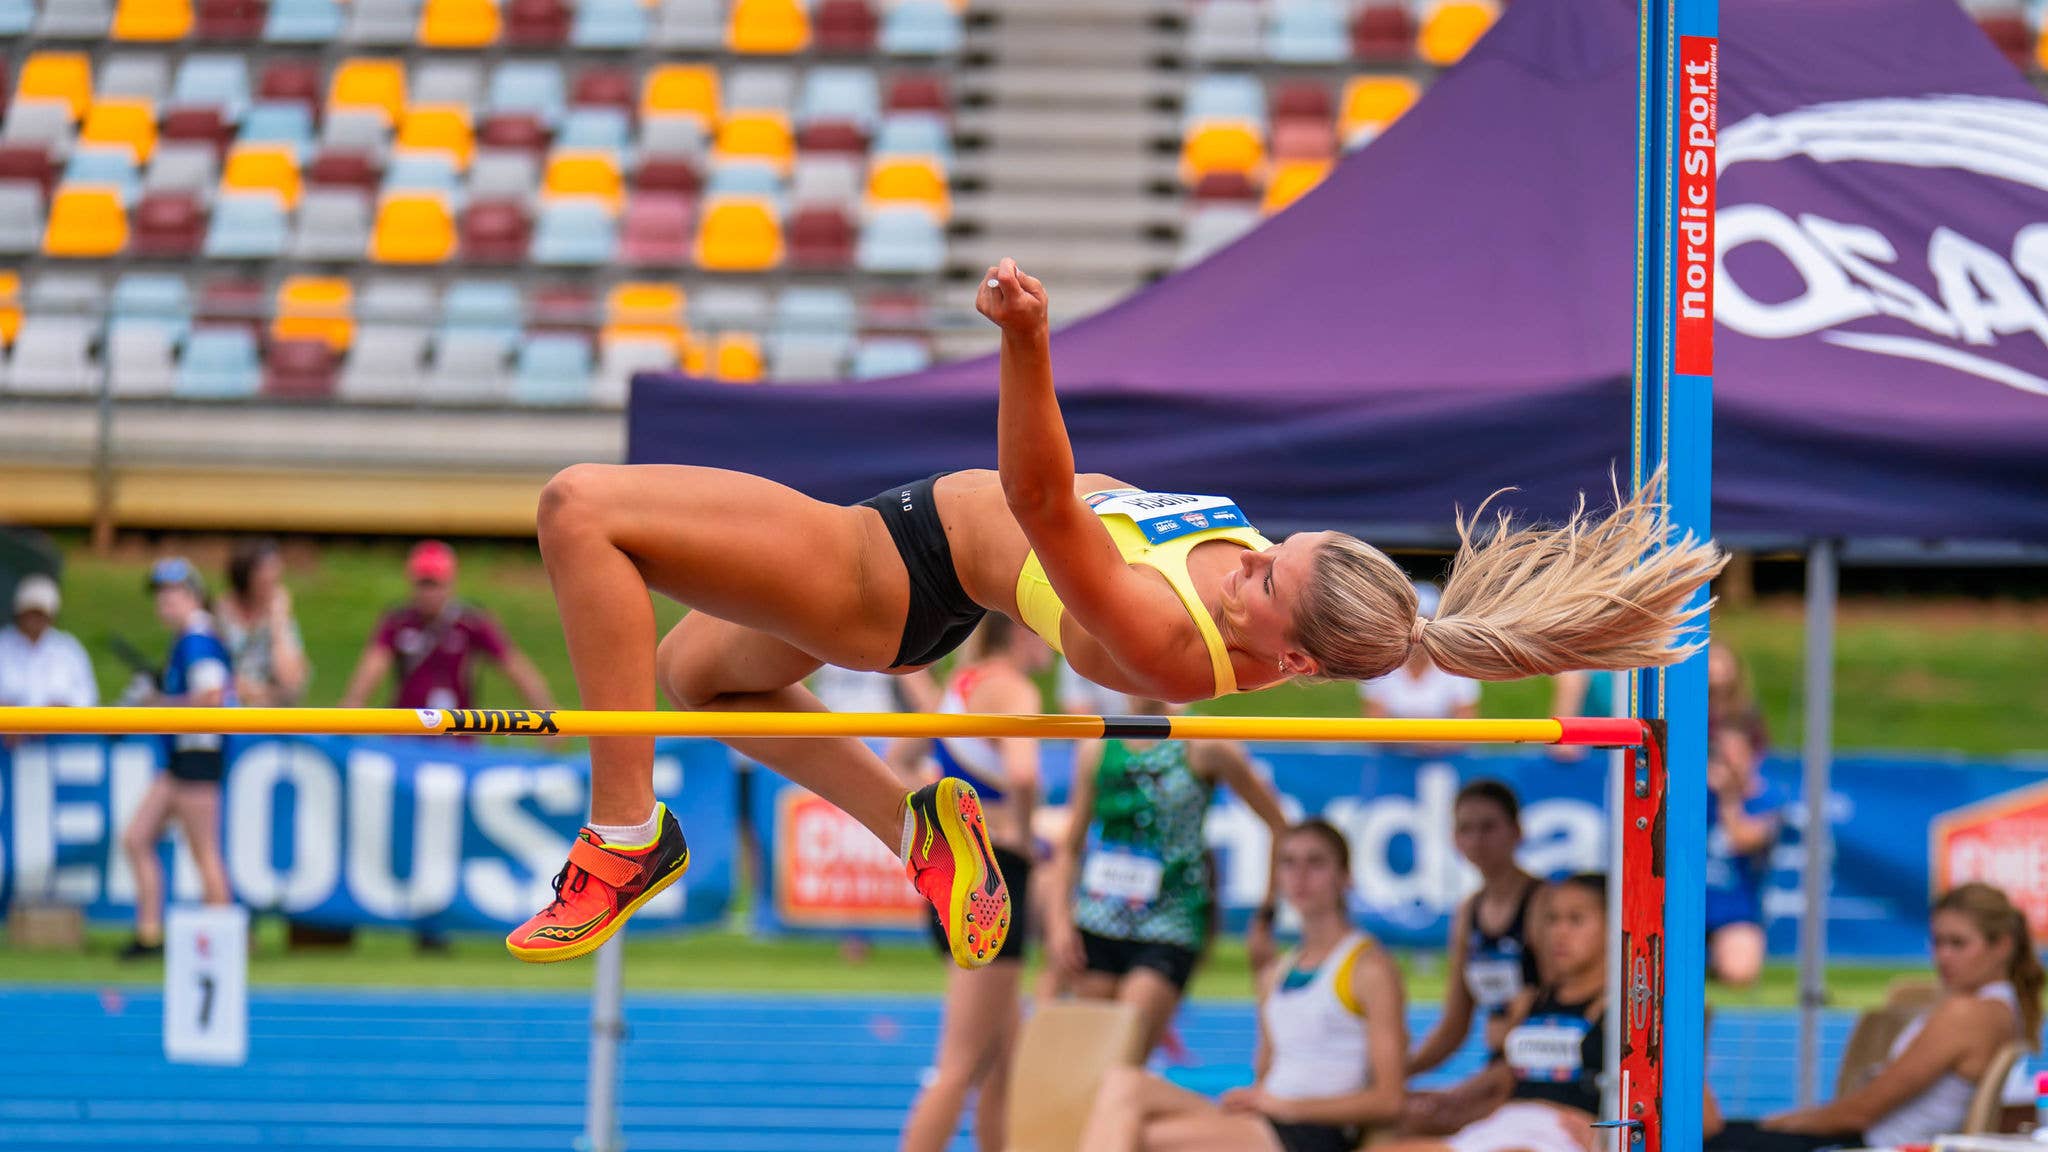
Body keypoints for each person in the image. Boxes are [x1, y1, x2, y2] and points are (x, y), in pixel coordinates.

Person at [505, 257, 1727, 968]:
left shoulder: (1168, 647)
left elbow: (1040, 499)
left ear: (1284, 654)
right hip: (917, 549)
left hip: (888, 569)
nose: (1250, 558)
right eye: (1270, 552)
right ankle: (915, 824)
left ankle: (622, 833)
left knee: (580, 511)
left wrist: (1027, 343)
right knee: (690, 677)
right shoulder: (1285, 601)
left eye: (1263, 580)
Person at [1076, 821, 1408, 1152]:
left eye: (1316, 862)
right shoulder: (1274, 972)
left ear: (1345, 877)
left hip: (1311, 1131)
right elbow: (1266, 1072)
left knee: (1141, 1138)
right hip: (1265, 1118)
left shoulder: (1369, 968)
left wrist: (1288, 1107)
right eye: (1289, 863)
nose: (1301, 875)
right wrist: (1259, 1100)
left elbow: (1389, 1100)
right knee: (1123, 1084)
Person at [1705, 882, 2043, 1151]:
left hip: (1872, 1142)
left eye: (1958, 943)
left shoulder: (1968, 1014)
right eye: (1937, 942)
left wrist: (1777, 1122)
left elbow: (1861, 1112)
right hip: (1875, 1137)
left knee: (1700, 1138)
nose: (1943, 956)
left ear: (2002, 946)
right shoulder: (2005, 1009)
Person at [1043, 696, 1292, 1056]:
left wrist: (1267, 914)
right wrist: (1059, 924)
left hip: (1170, 923)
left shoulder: (1203, 742)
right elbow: (1069, 847)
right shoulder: (1097, 748)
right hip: (1098, 920)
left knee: (1123, 1057)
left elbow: (1279, 825)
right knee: (1086, 1062)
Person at [894, 617, 1051, 1152]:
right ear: (1021, 633)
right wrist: (1024, 832)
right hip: (994, 876)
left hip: (954, 870)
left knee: (1005, 1058)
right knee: (960, 1066)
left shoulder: (959, 687)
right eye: (1046, 630)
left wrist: (953, 819)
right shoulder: (1013, 688)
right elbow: (1026, 774)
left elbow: (901, 761)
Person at [1382, 874, 1610, 1152]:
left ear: (1612, 926)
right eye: (1552, 919)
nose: (1560, 933)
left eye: (1576, 920)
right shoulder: (1530, 1001)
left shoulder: (1618, 1011)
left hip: (1560, 1137)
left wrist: (1602, 1136)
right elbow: (1504, 1077)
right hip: (1503, 1124)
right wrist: (1444, 1101)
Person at [118, 558, 236, 959]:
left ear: (193, 596)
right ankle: (150, 933)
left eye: (172, 594)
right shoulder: (189, 637)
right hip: (179, 759)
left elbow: (211, 698)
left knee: (204, 852)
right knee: (136, 838)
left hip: (197, 756)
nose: (163, 603)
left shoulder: (198, 637)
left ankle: (221, 945)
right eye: (160, 595)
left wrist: (157, 702)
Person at [1406, 780, 1543, 1078]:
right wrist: (1399, 1074)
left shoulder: (1543, 903)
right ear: (1454, 839)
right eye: (1466, 829)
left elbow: (1562, 1002)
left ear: (1517, 831)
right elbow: (1454, 1025)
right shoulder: (1468, 912)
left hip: (1541, 1067)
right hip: (1498, 1066)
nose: (1477, 840)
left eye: (1488, 827)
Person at [338, 540, 554, 715]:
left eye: (435, 584)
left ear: (450, 583)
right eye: (423, 584)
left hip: (457, 737)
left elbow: (514, 666)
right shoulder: (398, 622)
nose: (429, 593)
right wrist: (350, 709)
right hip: (406, 735)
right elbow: (371, 669)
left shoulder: (471, 622)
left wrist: (545, 710)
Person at [1704, 641, 1785, 988]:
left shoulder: (1767, 798)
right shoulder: (1691, 792)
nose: (1730, 761)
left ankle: (1715, 956)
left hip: (1733, 908)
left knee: (1740, 973)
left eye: (1738, 753)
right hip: (1683, 901)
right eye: (1722, 753)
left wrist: (1729, 799)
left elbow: (1743, 839)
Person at [1358, 581, 1479, 757]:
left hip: (1442, 763)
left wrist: (1412, 738)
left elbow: (1467, 729)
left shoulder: (1457, 667)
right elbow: (1372, 726)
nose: (1419, 634)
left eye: (1427, 623)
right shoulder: (1378, 665)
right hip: (1392, 763)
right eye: (1413, 624)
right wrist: (1425, 739)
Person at [215, 538, 309, 707]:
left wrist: (278, 620)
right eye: (265, 571)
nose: (272, 577)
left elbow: (291, 681)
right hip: (226, 710)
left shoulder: (279, 615)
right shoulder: (220, 614)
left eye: (275, 570)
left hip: (269, 714)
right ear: (246, 574)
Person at [0, 573, 98, 713]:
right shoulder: (3, 645)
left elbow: (88, 695)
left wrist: (63, 708)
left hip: (62, 731)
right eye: (30, 612)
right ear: (19, 612)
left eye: (40, 614)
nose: (34, 619)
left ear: (51, 616)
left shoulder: (68, 648)